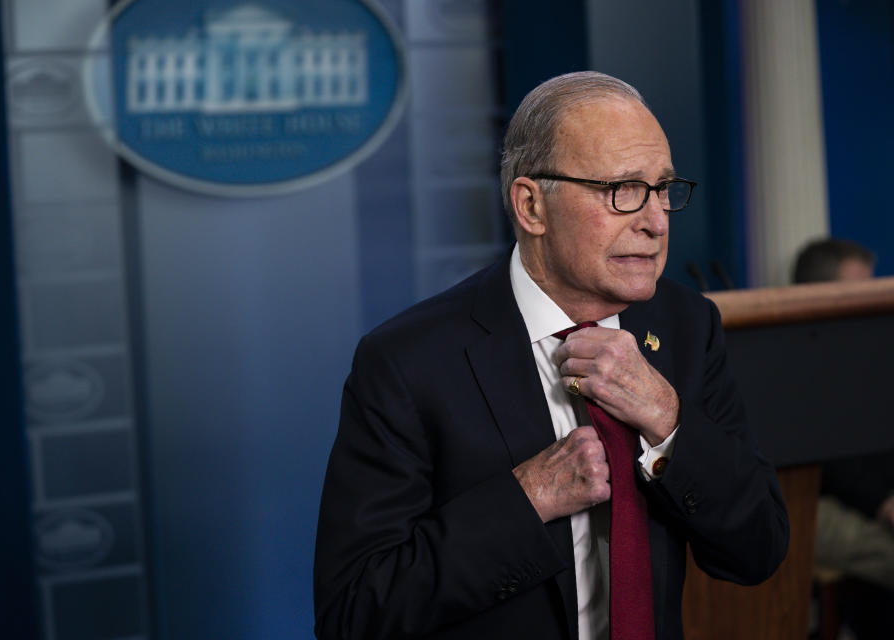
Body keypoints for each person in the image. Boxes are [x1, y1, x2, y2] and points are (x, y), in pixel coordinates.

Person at [314, 71, 788, 640]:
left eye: (662, 188)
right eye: (622, 190)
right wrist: (528, 499)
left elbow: (758, 550)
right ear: (531, 206)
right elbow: (355, 613)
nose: (656, 221)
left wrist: (670, 423)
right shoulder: (408, 362)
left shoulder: (687, 326)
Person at [793, 238, 894, 638]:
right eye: (859, 288)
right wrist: (883, 502)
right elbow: (829, 460)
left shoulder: (867, 345)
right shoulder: (796, 357)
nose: (870, 299)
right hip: (811, 501)